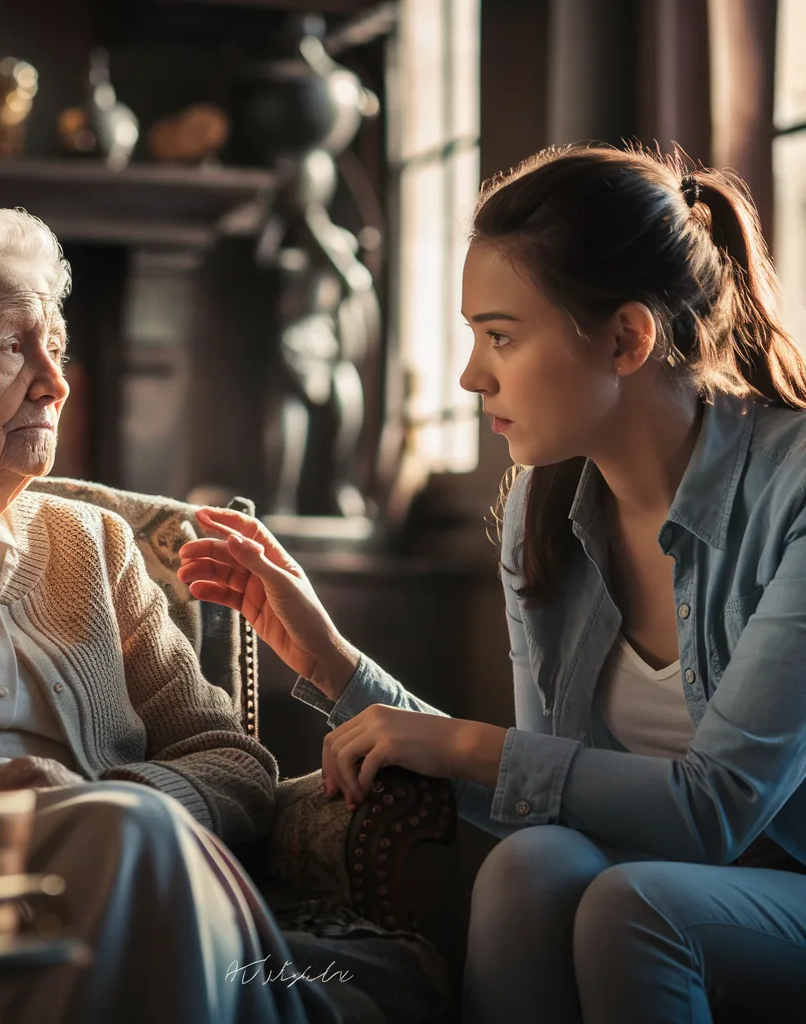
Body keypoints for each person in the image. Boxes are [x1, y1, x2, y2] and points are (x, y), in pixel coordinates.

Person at [178, 144, 806, 1023]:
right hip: (654, 888)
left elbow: (720, 813)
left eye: (501, 336)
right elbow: (546, 803)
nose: (473, 375)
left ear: (628, 338)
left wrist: (461, 745)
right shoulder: (540, 512)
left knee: (638, 907)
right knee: (533, 863)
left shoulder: (796, 494)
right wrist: (332, 665)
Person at [0, 205, 337, 1024]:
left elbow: (231, 761)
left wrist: (102, 800)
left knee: (127, 828)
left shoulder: (98, 546)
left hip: (119, 866)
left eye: (58, 349)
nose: (55, 381)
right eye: (13, 346)